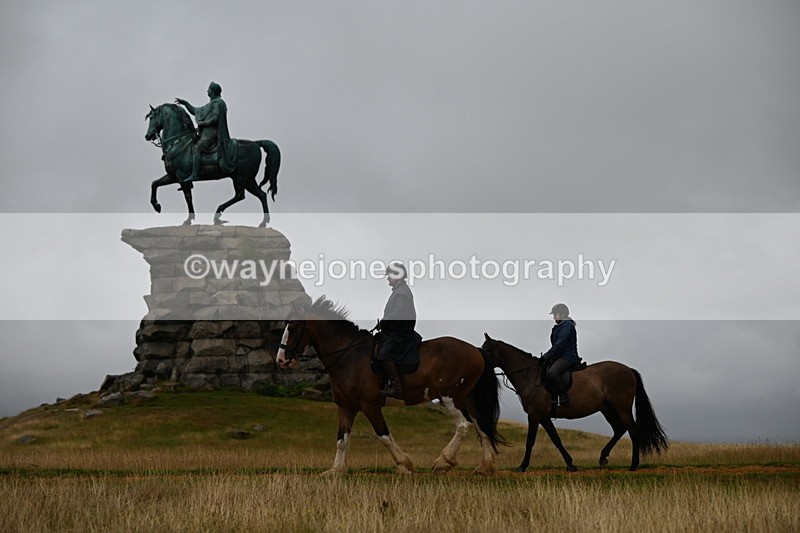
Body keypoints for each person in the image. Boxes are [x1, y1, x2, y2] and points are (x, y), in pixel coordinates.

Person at [174, 81, 237, 184]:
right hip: (205, 134)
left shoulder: (219, 103)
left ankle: (195, 174)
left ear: (212, 91)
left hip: (212, 134)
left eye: (208, 89)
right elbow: (196, 111)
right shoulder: (209, 105)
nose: (207, 91)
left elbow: (216, 118)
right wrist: (185, 103)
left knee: (197, 148)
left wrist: (203, 123)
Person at [375, 262, 416, 399]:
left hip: (400, 333)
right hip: (395, 331)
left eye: (389, 276)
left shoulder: (402, 292)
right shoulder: (400, 291)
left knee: (385, 353)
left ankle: (396, 388)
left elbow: (399, 312)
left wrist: (384, 321)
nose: (387, 279)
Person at [541, 303, 582, 406]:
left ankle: (563, 397)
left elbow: (560, 345)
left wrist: (546, 356)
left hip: (567, 356)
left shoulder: (567, 325)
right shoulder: (559, 326)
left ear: (562, 314)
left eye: (555, 314)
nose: (554, 317)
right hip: (559, 356)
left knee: (552, 373)